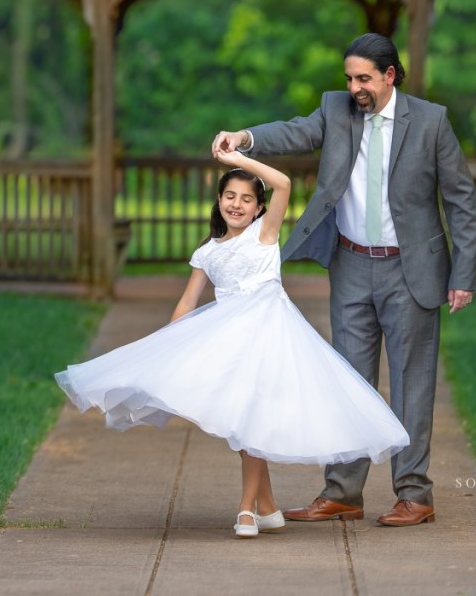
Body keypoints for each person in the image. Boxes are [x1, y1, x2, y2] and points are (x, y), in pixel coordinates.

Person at [55, 149, 409, 538]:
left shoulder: (264, 233)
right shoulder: (207, 252)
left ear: (259, 209)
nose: (236, 205)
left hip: (272, 336)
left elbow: (283, 183)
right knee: (244, 423)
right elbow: (187, 302)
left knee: (250, 420)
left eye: (246, 199)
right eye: (229, 196)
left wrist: (237, 159)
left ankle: (246, 511)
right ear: (219, 200)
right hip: (230, 342)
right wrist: (169, 348)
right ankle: (267, 509)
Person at [211, 33, 476, 527]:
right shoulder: (336, 110)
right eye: (350, 78)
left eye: (364, 79)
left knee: (412, 384)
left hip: (411, 271)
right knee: (347, 383)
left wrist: (463, 274)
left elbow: (461, 199)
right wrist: (245, 138)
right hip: (351, 264)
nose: (355, 87)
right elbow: (294, 132)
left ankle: (414, 495)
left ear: (389, 76)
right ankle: (342, 493)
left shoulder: (431, 122)